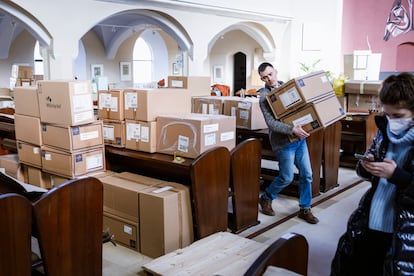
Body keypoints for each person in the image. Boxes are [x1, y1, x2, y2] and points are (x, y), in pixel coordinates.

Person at [331, 72, 414, 275]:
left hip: (403, 229)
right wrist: (366, 166)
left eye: (398, 116)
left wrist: (396, 175)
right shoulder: (384, 130)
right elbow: (370, 158)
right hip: (371, 219)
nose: (391, 121)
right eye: (387, 114)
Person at [257, 62, 319, 224]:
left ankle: (305, 208)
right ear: (261, 78)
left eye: (270, 74)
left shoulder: (288, 88)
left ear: (275, 71)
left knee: (307, 174)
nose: (269, 79)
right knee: (286, 177)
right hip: (283, 141)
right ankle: (266, 198)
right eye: (264, 77)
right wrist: (292, 130)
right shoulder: (264, 97)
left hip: (300, 139)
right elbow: (271, 124)